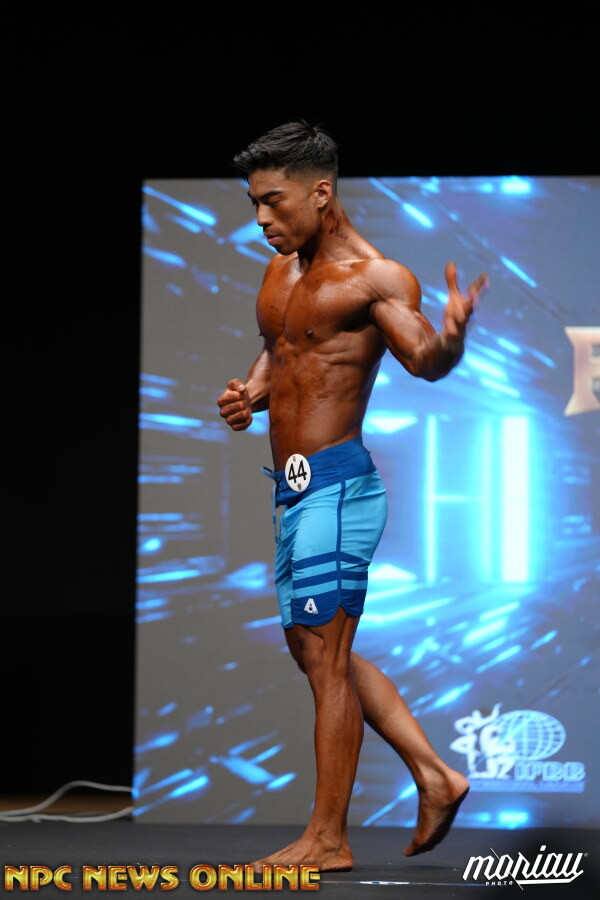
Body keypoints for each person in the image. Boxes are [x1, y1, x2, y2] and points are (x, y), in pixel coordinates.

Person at [217, 119, 490, 872]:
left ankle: (329, 840)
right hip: (292, 491)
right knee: (315, 650)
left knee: (326, 656)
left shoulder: (375, 278)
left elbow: (425, 359)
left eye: (273, 202)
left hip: (337, 487)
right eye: (254, 203)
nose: (261, 218)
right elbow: (281, 354)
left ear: (320, 192)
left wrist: (453, 338)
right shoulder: (280, 273)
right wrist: (249, 396)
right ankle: (435, 777)